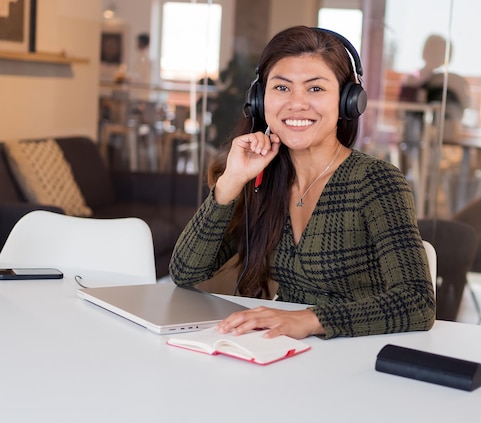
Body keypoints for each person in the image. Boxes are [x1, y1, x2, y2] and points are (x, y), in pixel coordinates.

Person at [169, 26, 435, 340]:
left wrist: (308, 320)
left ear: (347, 101)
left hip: (362, 356)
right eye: (281, 88)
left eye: (315, 89)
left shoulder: (376, 182)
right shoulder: (263, 179)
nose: (296, 104)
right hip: (285, 353)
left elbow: (417, 302)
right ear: (259, 99)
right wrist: (231, 181)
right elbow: (185, 272)